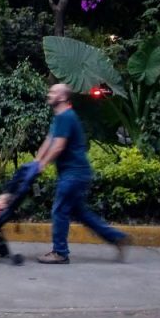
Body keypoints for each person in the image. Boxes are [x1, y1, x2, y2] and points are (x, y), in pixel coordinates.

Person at [34, 83, 130, 264]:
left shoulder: (66, 116)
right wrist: (36, 161)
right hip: (75, 173)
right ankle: (117, 237)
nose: (49, 94)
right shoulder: (59, 117)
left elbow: (58, 146)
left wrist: (43, 164)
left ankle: (60, 253)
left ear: (62, 97)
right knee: (80, 213)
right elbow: (49, 140)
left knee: (60, 210)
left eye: (53, 92)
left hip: (74, 174)